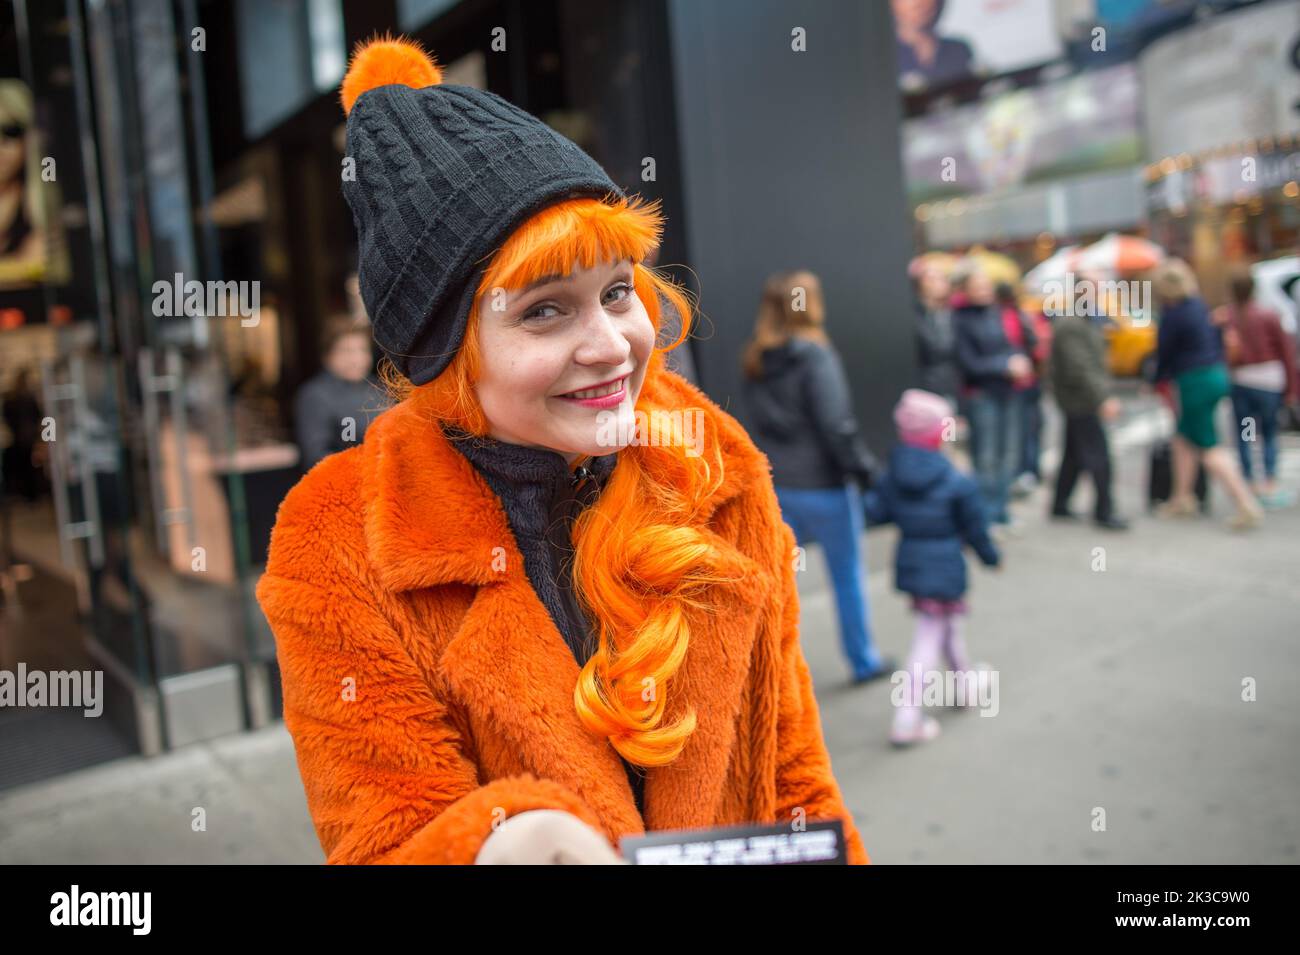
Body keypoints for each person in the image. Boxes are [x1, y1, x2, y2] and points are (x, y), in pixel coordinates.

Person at [256, 36, 870, 866]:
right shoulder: (340, 540)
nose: (613, 343)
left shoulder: (714, 468)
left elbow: (793, 779)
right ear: (446, 356)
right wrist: (499, 839)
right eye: (546, 310)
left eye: (618, 291)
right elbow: (380, 841)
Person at [741, 270, 892, 685]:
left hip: (780, 485)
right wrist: (865, 473)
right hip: (824, 487)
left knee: (779, 583)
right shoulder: (815, 354)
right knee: (847, 577)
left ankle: (776, 675)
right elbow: (836, 424)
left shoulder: (756, 356)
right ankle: (863, 661)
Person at [863, 389, 1000, 746]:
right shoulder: (957, 480)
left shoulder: (894, 473)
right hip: (944, 569)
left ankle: (964, 686)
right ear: (941, 434)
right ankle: (907, 717)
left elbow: (876, 511)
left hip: (913, 565)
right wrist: (991, 557)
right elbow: (976, 528)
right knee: (929, 635)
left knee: (945, 627)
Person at [1151, 259, 1263, 530]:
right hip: (1214, 373)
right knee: (1183, 438)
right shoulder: (1198, 306)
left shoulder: (1174, 314)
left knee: (1207, 446)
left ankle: (1246, 504)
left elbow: (1164, 353)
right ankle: (1182, 498)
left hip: (1194, 380)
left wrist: (1155, 380)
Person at [952, 263, 1035, 532]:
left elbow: (1009, 344)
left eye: (986, 286)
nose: (984, 291)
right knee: (986, 458)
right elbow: (968, 363)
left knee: (1007, 455)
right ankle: (984, 517)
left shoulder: (996, 313)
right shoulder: (960, 319)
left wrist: (1017, 361)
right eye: (978, 286)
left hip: (1007, 392)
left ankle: (1000, 511)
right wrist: (1003, 366)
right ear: (965, 290)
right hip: (982, 395)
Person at [1047, 275, 1129, 530]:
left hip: (1079, 398)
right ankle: (1104, 510)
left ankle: (1060, 504)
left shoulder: (1087, 318)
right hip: (1080, 400)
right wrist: (1103, 398)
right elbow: (1079, 367)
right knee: (1098, 455)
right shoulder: (1072, 323)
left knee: (1073, 453)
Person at [1213, 267, 1298, 509]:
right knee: (1270, 432)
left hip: (1242, 381)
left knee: (1246, 433)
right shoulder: (1267, 315)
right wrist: (1291, 390)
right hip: (1269, 381)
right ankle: (1269, 481)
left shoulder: (1226, 317)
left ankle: (1249, 481)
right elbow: (1286, 353)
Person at [293, 314, 386, 471]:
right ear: (327, 356)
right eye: (346, 351)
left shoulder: (379, 388)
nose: (356, 359)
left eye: (362, 350)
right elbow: (316, 455)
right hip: (345, 484)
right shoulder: (315, 395)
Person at [914, 264, 960, 405]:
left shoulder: (954, 314)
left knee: (950, 426)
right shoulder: (916, 316)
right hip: (926, 387)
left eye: (942, 279)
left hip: (954, 385)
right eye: (931, 279)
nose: (938, 284)